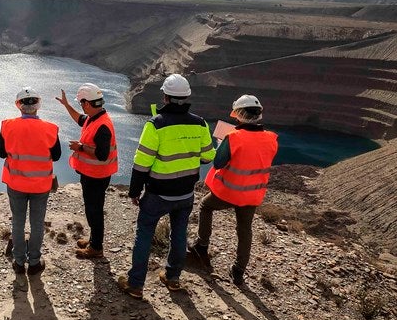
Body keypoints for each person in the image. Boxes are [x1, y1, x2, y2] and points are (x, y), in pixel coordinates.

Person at [118, 74, 216, 299]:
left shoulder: (156, 124)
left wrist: (134, 191)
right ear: (187, 97)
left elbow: (142, 163)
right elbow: (208, 156)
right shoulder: (200, 123)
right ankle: (173, 278)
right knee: (179, 234)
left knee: (144, 234)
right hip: (185, 193)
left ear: (165, 97)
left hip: (158, 193)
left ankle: (135, 284)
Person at [192, 94, 279, 286]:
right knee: (245, 229)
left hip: (229, 192)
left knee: (205, 206)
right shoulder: (271, 138)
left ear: (239, 114)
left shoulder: (233, 137)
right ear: (259, 114)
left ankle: (202, 245)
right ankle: (238, 271)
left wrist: (221, 144)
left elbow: (218, 162)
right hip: (253, 194)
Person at [0, 87, 61, 276]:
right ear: (38, 105)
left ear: (18, 105)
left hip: (16, 183)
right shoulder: (50, 129)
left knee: (18, 222)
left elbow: (1, 152)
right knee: (37, 223)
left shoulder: (8, 126)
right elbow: (56, 156)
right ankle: (34, 263)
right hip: (40, 185)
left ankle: (19, 262)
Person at [55, 83, 118, 259]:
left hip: (97, 176)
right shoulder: (95, 118)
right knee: (93, 209)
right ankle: (93, 241)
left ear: (88, 103)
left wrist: (80, 147)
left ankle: (96, 247)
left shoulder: (102, 126)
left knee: (94, 211)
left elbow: (102, 155)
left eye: (81, 103)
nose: (81, 106)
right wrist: (67, 105)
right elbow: (79, 119)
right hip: (93, 175)